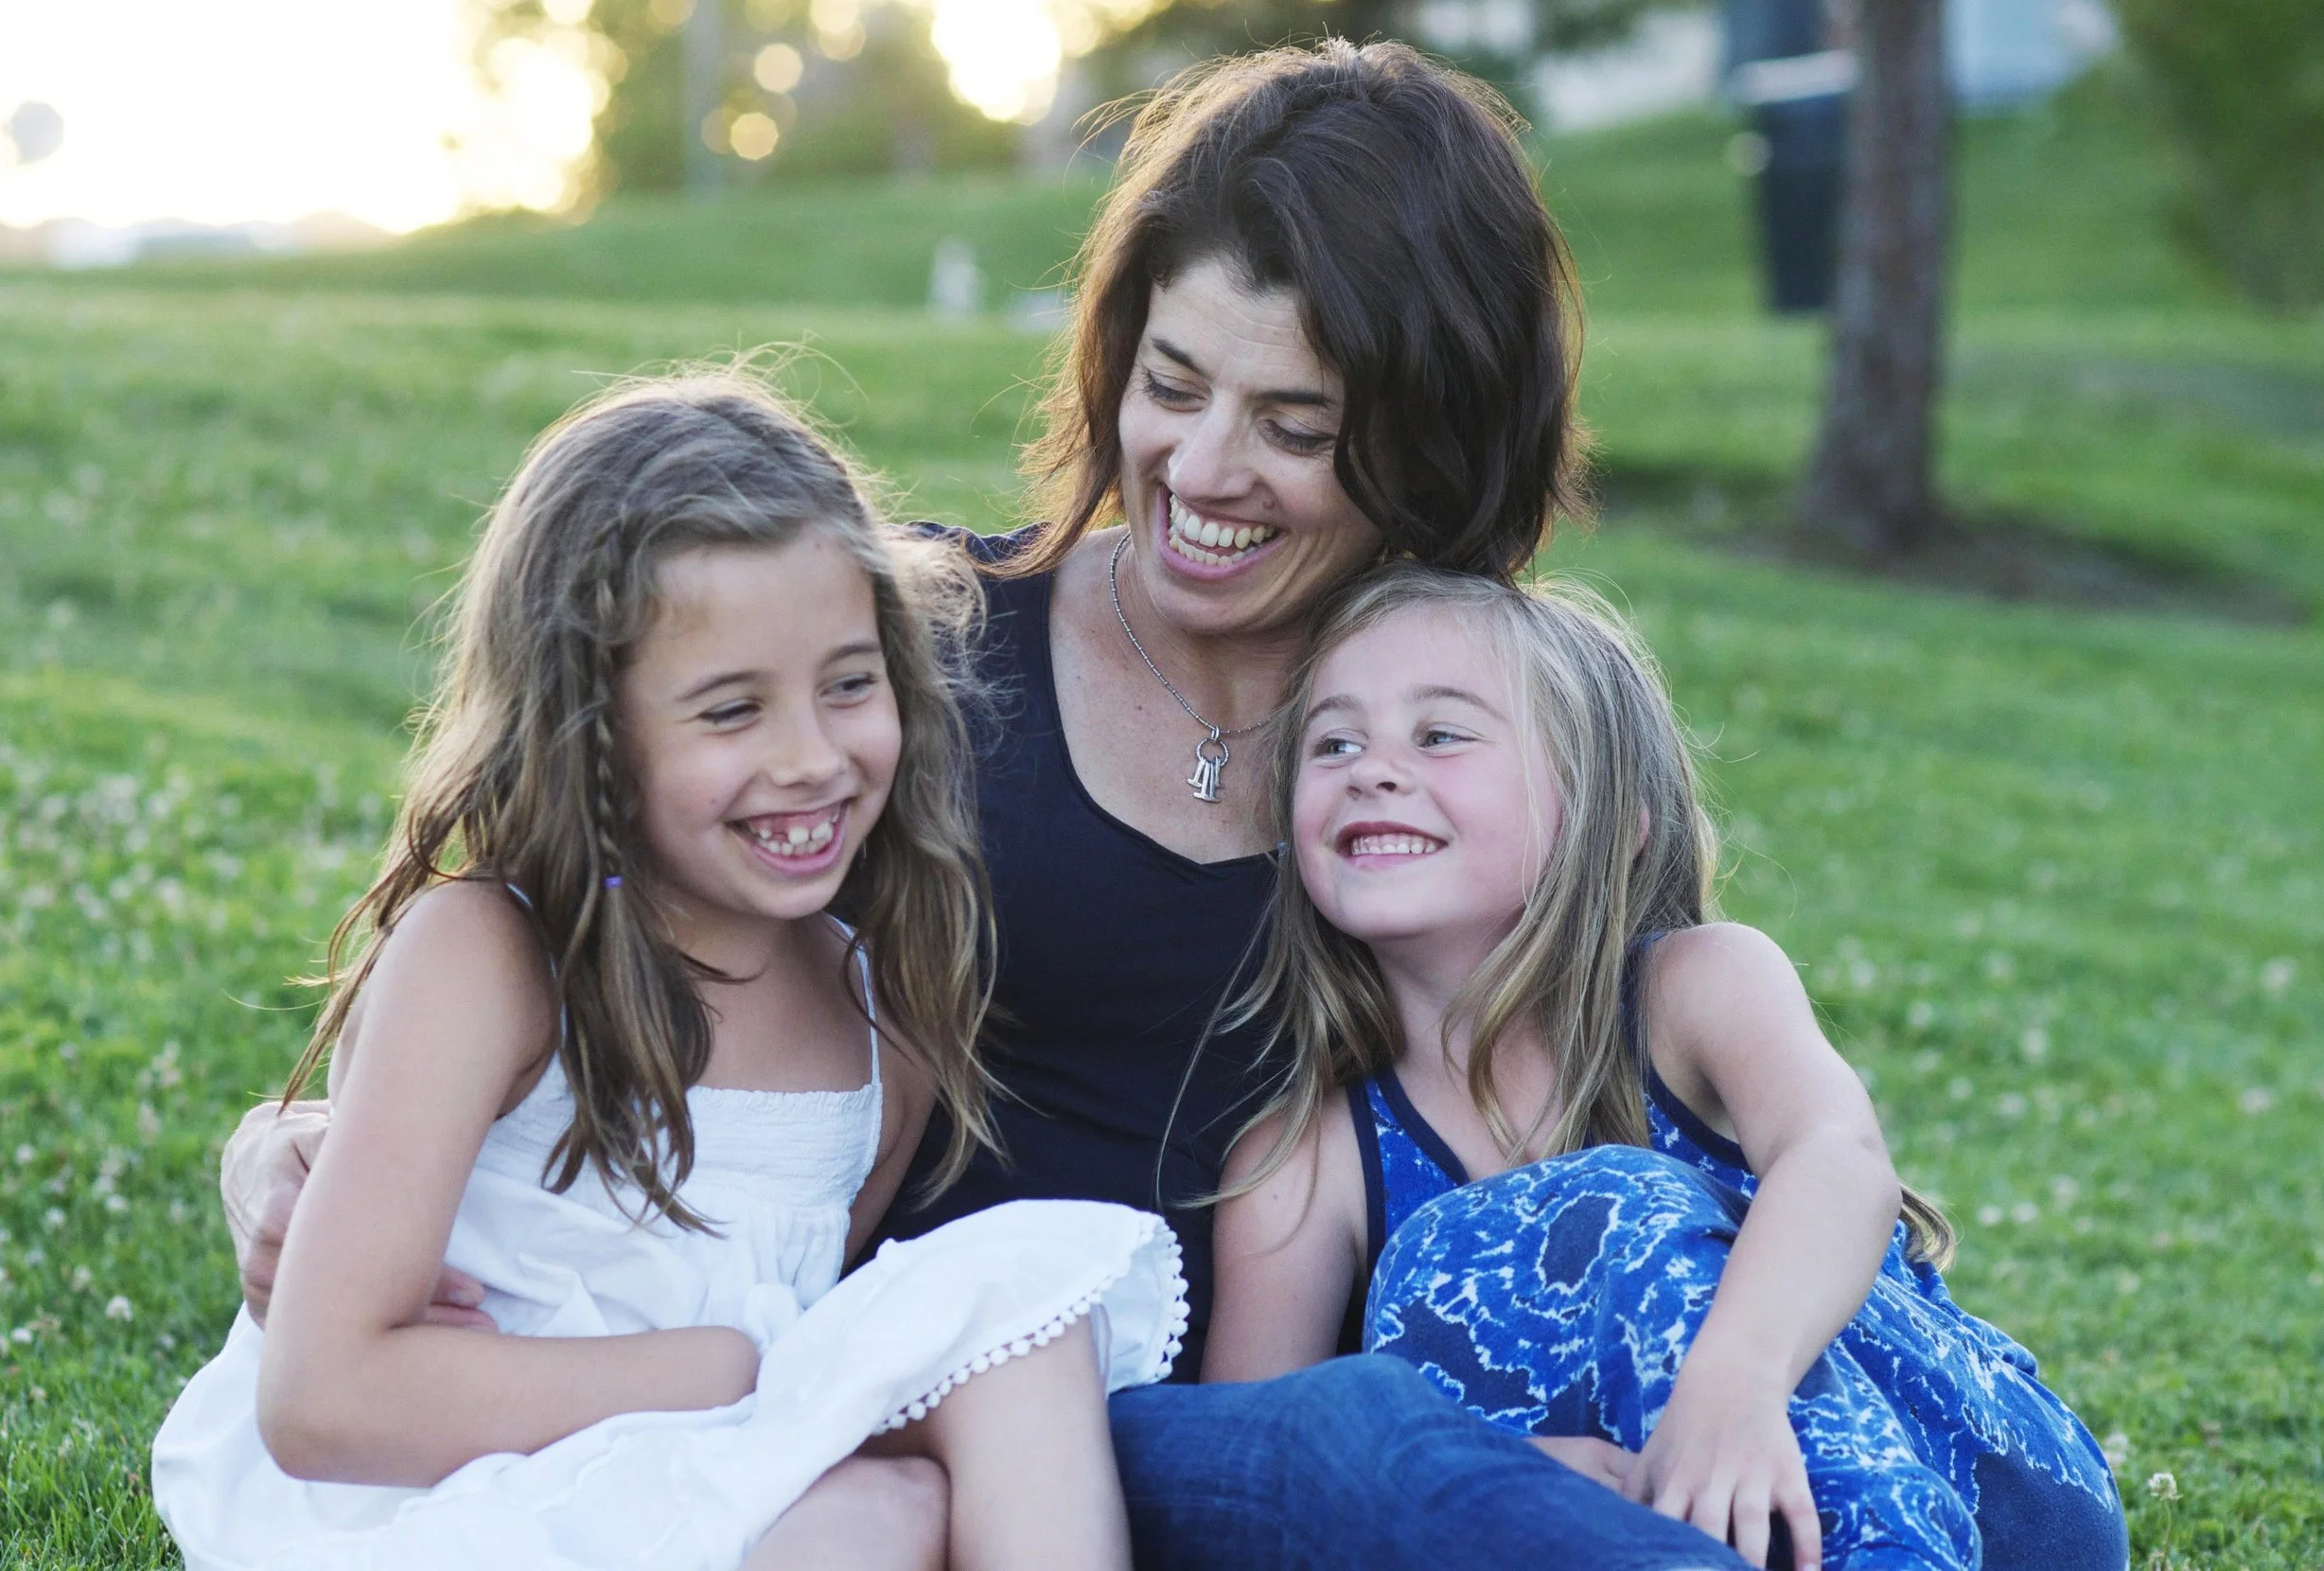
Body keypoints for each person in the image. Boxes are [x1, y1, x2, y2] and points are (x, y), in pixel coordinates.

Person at [218, 41, 1756, 1571]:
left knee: (1400, 1452)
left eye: (1294, 426)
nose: (1202, 468)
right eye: (1171, 384)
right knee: (1372, 1454)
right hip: (936, 1411)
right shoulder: (901, 662)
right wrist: (297, 1150)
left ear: (1430, 439)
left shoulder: (1458, 741)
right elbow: (575, 919)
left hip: (1266, 1422)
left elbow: (1640, 1070)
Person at [156, 374, 1190, 1571]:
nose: (810, 757)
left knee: (1012, 1327)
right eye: (729, 710)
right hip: (441, 1506)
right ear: (592, 737)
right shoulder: (490, 960)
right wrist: (722, 1372)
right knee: (883, 1512)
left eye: (848, 683)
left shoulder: (876, 1025)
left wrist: (763, 1392)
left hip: (692, 1486)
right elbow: (323, 1397)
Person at [1204, 564, 2129, 1571]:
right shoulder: (1307, 1161)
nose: (1370, 768)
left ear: (1608, 814)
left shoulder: (1696, 988)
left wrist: (1733, 1381)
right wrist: (1498, 1462)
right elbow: (1252, 1477)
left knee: (1613, 1202)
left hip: (1977, 1488)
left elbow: (1837, 1155)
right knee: (1401, 1338)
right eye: (1332, 741)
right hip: (1671, 1533)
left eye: (1440, 734)